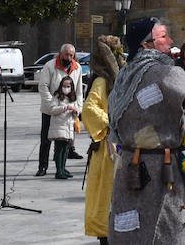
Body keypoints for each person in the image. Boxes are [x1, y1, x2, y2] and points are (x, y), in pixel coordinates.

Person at [106, 17, 185, 245]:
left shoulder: (126, 74)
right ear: (147, 44)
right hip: (159, 172)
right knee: (171, 230)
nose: (171, 41)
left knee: (132, 231)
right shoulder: (163, 73)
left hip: (129, 167)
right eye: (164, 37)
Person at [82, 35, 120, 244]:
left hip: (118, 148)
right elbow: (88, 109)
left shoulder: (114, 80)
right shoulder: (101, 81)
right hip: (107, 149)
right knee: (105, 197)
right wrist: (110, 123)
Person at [36, 43, 83, 175]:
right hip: (50, 109)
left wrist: (78, 107)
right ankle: (42, 167)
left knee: (65, 139)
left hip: (68, 110)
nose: (69, 57)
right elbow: (43, 86)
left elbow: (79, 90)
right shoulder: (50, 66)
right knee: (46, 139)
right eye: (66, 54)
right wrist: (51, 103)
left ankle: (61, 167)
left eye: (71, 55)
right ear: (61, 54)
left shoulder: (77, 68)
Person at [47, 75, 82, 180]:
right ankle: (59, 171)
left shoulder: (72, 97)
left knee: (66, 149)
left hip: (68, 126)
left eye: (68, 86)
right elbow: (52, 110)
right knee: (59, 149)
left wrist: (76, 111)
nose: (66, 88)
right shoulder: (57, 96)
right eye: (64, 85)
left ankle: (63, 168)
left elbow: (76, 112)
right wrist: (65, 107)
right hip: (58, 126)